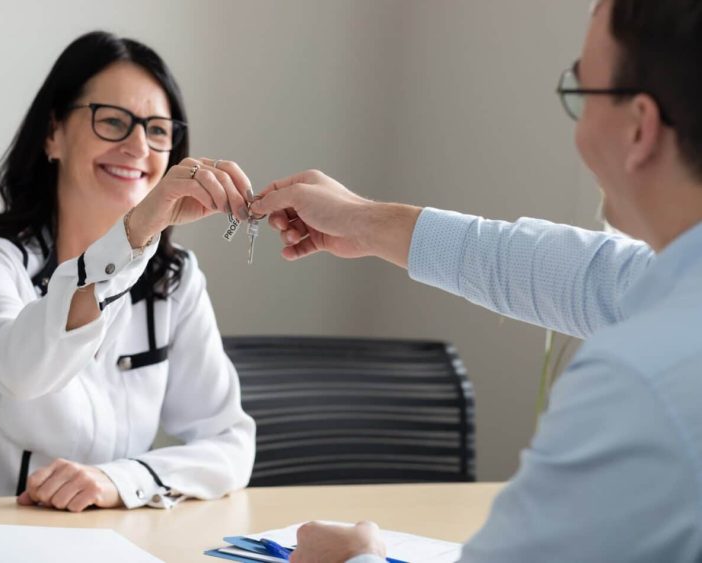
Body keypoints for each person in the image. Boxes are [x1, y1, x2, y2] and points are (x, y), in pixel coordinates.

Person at [250, 0, 702, 560]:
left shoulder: (642, 385)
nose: (579, 128)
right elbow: (585, 276)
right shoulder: (673, 299)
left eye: (580, 91)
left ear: (639, 128)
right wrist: (365, 221)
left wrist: (355, 558)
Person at [0, 31, 256, 512]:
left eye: (157, 131)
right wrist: (133, 235)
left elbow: (230, 443)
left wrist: (121, 481)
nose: (138, 146)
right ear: (52, 134)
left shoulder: (174, 280)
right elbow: (19, 372)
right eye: (113, 121)